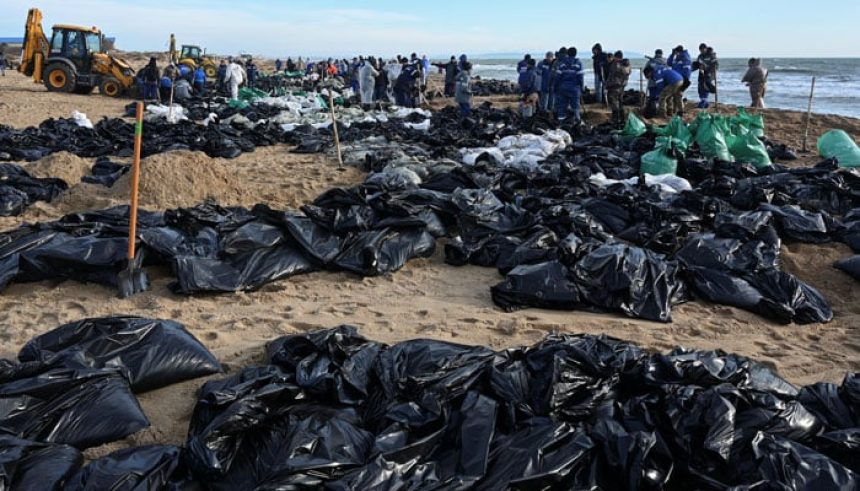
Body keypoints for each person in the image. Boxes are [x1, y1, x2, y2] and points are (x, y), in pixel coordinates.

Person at [553, 47, 584, 121]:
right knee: (575, 107)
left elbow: (557, 77)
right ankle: (577, 123)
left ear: (567, 53)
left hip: (563, 88)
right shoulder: (578, 63)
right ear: (575, 54)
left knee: (562, 107)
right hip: (574, 89)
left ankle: (561, 123)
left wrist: (555, 87)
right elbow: (580, 77)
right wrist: (582, 88)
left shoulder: (562, 64)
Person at [606, 51, 631, 126]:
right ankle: (622, 119)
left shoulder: (615, 64)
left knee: (614, 103)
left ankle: (615, 120)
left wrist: (607, 85)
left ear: (616, 57)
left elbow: (611, 76)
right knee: (620, 102)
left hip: (614, 86)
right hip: (622, 86)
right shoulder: (627, 65)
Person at [694, 43, 719, 108]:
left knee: (706, 85)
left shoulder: (711, 55)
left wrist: (711, 72)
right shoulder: (700, 56)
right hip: (702, 72)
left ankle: (704, 100)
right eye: (700, 50)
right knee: (700, 86)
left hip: (710, 72)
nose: (702, 51)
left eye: (703, 49)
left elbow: (716, 65)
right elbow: (697, 64)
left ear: (706, 48)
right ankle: (703, 100)